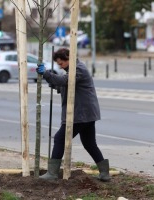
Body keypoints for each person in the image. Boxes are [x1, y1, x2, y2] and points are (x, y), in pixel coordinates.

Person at [36, 48, 110, 182]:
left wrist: (47, 74)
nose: (60, 66)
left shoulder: (78, 69)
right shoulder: (72, 70)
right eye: (58, 64)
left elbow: (65, 82)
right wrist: (51, 79)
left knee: (59, 138)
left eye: (61, 63)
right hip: (85, 113)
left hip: (79, 114)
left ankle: (52, 173)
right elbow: (64, 85)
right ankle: (104, 173)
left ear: (68, 58)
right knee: (89, 143)